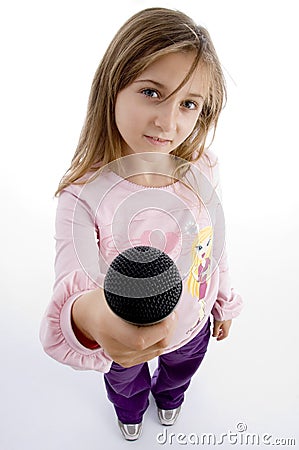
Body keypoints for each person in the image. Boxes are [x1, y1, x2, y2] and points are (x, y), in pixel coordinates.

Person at [40, 7, 243, 441]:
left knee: (181, 370)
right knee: (125, 383)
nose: (169, 123)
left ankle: (170, 399)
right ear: (113, 88)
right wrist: (93, 319)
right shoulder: (82, 197)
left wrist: (223, 299)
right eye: (152, 92)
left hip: (193, 324)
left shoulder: (203, 169)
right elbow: (73, 288)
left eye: (189, 104)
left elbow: (215, 244)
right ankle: (130, 412)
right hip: (123, 344)